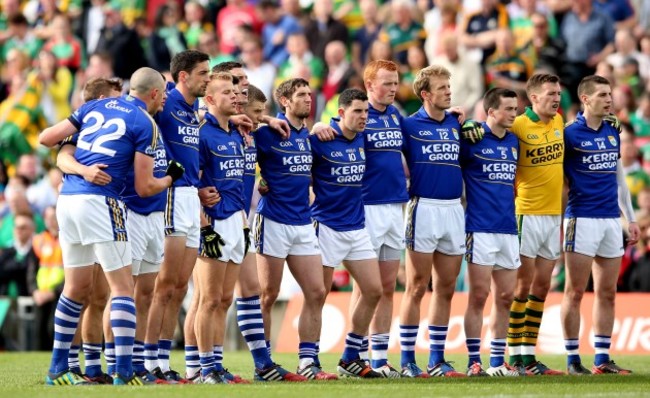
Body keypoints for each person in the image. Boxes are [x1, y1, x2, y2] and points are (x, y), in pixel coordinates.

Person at [39, 66, 184, 385]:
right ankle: (123, 371)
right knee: (122, 289)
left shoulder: (94, 106)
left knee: (74, 288)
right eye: (162, 98)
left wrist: (81, 167)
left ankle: (58, 369)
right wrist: (172, 177)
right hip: (103, 202)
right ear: (156, 94)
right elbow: (145, 187)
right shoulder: (145, 122)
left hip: (68, 200)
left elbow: (46, 138)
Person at [560, 75, 640, 375]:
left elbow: (619, 179)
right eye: (603, 95)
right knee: (574, 291)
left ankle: (602, 359)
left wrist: (629, 218)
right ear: (585, 99)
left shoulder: (612, 131)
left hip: (609, 221)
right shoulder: (569, 134)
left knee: (607, 292)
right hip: (581, 218)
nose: (609, 99)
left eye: (610, 94)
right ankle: (571, 359)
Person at [254, 78, 331, 380]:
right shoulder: (267, 133)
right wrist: (260, 181)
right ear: (284, 101)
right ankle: (265, 363)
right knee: (267, 295)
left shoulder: (309, 137)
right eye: (300, 95)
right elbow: (247, 161)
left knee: (317, 291)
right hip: (272, 219)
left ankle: (308, 362)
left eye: (310, 95)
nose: (308, 99)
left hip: (302, 221)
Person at [143, 50, 211, 383]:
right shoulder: (165, 103)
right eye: (202, 74)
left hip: (190, 197)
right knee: (164, 286)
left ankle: (163, 362)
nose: (207, 79)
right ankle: (147, 362)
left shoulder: (193, 109)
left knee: (180, 287)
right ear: (182, 76)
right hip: (170, 195)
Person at [399, 65, 467, 378]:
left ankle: (437, 359)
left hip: (454, 209)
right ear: (425, 94)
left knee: (446, 288)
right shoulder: (408, 125)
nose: (448, 92)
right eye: (441, 88)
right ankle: (407, 359)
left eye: (448, 87)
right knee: (415, 287)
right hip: (423, 208)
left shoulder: (456, 123)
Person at [309, 88, 382, 379]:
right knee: (319, 296)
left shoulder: (363, 138)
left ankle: (351, 356)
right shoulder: (322, 138)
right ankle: (309, 360)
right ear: (341, 113)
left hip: (356, 226)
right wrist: (317, 125)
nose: (363, 117)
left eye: (366, 112)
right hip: (326, 225)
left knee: (374, 290)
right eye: (357, 111)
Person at [54, 77, 123, 384]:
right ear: (97, 99)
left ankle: (88, 367)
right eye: (114, 98)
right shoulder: (85, 124)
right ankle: (119, 368)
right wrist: (85, 170)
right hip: (97, 206)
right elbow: (60, 154)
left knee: (94, 293)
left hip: (84, 204)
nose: (119, 105)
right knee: (112, 290)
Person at [506, 73, 565, 376]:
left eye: (557, 93)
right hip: (526, 214)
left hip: (553, 216)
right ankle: (514, 356)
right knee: (520, 287)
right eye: (551, 93)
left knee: (541, 287)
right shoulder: (517, 125)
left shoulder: (558, 122)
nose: (556, 98)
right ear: (533, 98)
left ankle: (529, 356)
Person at [461, 88, 520, 377]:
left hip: (508, 228)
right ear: (492, 112)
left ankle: (497, 362)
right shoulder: (472, 138)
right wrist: (467, 124)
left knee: (506, 296)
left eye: (515, 108)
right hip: (479, 227)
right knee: (479, 296)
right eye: (508, 108)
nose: (513, 113)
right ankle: (474, 361)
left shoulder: (513, 141)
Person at [193, 71, 248, 384]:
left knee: (225, 300)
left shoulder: (234, 133)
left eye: (234, 91)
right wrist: (203, 225)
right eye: (226, 92)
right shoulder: (203, 133)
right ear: (210, 99)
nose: (234, 96)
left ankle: (217, 363)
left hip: (235, 220)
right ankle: (205, 368)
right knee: (209, 299)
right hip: (212, 221)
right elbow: (192, 181)